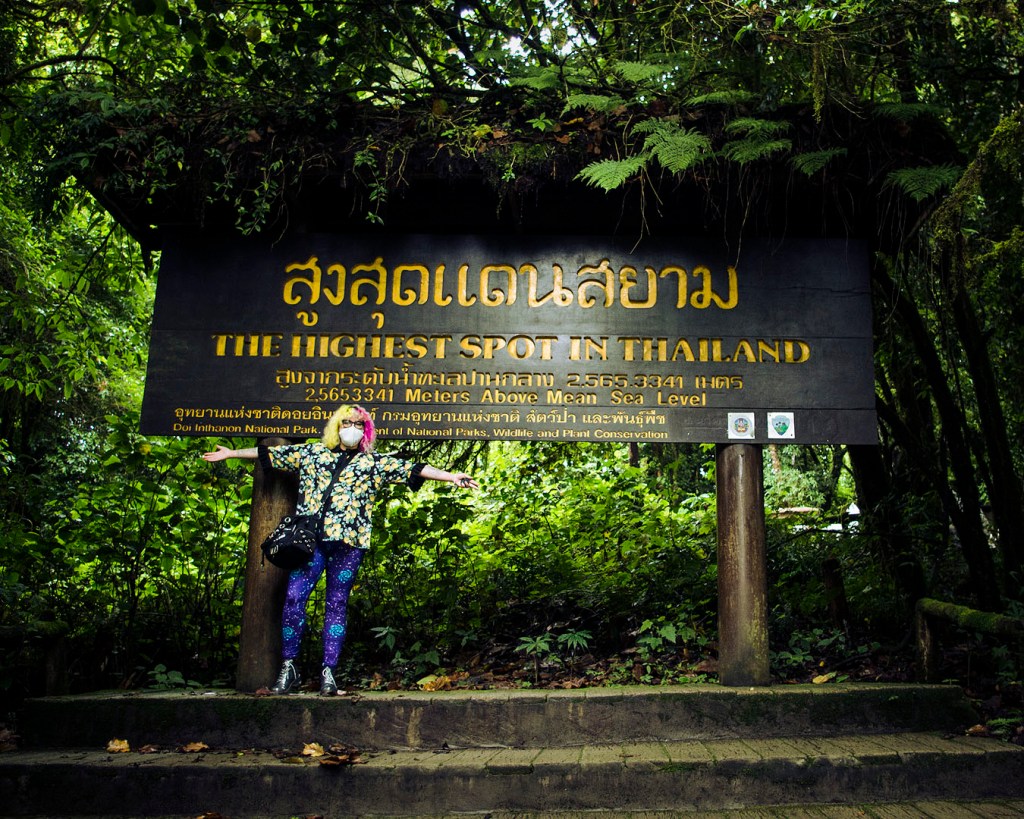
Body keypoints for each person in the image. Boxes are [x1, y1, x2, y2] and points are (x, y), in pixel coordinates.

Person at [202, 404, 478, 696]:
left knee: (336, 604)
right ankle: (289, 667)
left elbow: (414, 468)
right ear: (336, 425)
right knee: (295, 599)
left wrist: (451, 476)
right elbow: (269, 454)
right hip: (310, 542)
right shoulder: (312, 454)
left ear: (366, 431)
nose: (352, 429)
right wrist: (231, 453)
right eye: (347, 422)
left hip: (349, 544)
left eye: (359, 424)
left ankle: (329, 672)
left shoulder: (373, 463)